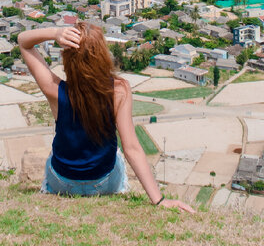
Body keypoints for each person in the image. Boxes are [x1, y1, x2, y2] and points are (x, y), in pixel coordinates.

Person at [18, 22, 195, 212]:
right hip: (102, 183)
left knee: (54, 155)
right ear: (102, 57)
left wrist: (55, 32)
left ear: (67, 59)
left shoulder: (54, 89)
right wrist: (159, 200)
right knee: (117, 152)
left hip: (63, 181)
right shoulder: (119, 90)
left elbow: (23, 41)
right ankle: (119, 189)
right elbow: (132, 148)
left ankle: (52, 188)